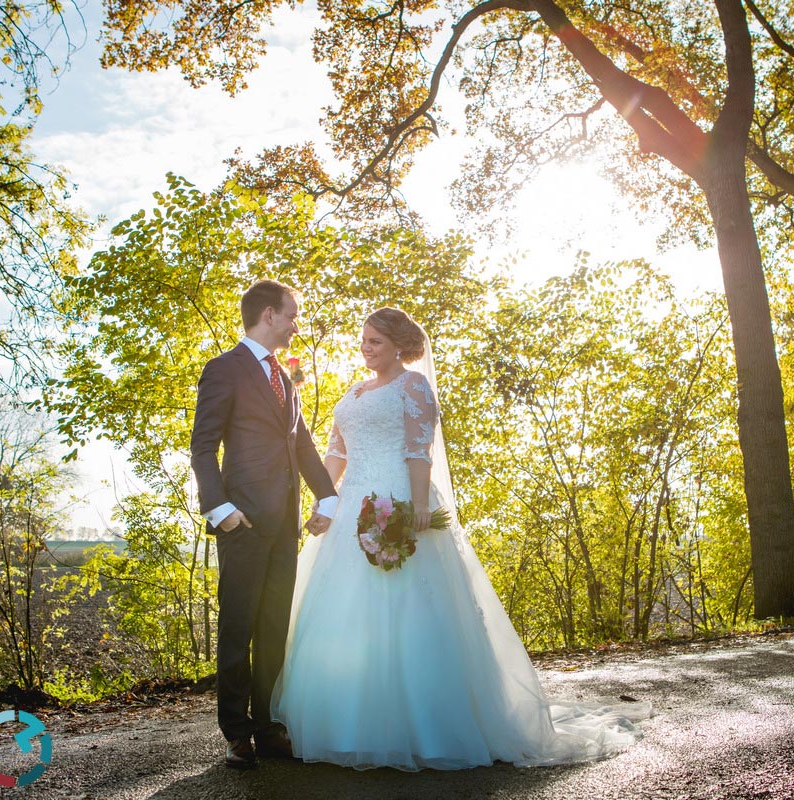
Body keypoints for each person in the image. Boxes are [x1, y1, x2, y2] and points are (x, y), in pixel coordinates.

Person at [271, 306, 649, 770]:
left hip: (396, 499)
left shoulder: (412, 385)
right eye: (363, 341)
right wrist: (323, 502)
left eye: (375, 342)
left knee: (407, 609)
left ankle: (422, 729)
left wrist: (416, 507)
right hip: (350, 508)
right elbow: (335, 452)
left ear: (397, 346)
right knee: (342, 614)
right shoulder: (353, 391)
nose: (365, 349)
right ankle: (345, 727)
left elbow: (417, 449)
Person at [190, 279, 339, 769]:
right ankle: (236, 731)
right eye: (292, 315)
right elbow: (203, 446)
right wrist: (219, 509)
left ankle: (268, 723)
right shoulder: (224, 369)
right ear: (269, 315)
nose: (296, 324)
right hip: (243, 522)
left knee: (275, 626)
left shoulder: (285, 375)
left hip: (286, 524)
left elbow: (302, 447)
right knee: (238, 626)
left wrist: (329, 496)